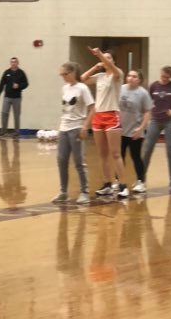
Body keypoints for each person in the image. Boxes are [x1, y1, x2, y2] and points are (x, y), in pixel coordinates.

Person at [81, 48, 126, 197]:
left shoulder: (117, 74)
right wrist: (96, 66)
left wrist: (100, 54)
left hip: (112, 115)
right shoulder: (100, 76)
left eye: (109, 58)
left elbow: (112, 67)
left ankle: (123, 185)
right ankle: (107, 184)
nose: (105, 60)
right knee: (102, 154)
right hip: (98, 116)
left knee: (115, 154)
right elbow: (83, 78)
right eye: (104, 57)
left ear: (114, 60)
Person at [53, 62, 94, 205]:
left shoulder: (82, 88)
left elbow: (92, 108)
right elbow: (65, 109)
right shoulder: (64, 88)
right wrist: (60, 127)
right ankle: (63, 191)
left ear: (72, 73)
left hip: (76, 128)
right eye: (61, 75)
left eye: (65, 74)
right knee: (61, 159)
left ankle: (84, 192)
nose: (63, 77)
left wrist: (85, 126)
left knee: (78, 161)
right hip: (64, 128)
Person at [142, 65, 171, 191]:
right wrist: (147, 116)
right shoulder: (154, 86)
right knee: (147, 149)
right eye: (162, 76)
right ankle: (141, 179)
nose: (164, 79)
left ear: (170, 76)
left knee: (170, 150)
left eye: (167, 77)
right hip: (155, 120)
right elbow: (148, 103)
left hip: (169, 121)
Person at [119, 68, 152, 194]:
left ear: (139, 80)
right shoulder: (121, 89)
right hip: (120, 130)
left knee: (136, 156)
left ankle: (141, 181)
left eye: (134, 76)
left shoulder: (143, 93)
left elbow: (148, 111)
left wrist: (141, 128)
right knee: (119, 156)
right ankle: (119, 180)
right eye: (129, 75)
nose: (130, 78)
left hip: (135, 131)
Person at [0, 56, 29, 138]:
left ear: (18, 63)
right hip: (7, 97)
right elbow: (1, 84)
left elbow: (26, 84)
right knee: (4, 113)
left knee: (16, 115)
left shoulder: (21, 73)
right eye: (12, 62)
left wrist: (19, 86)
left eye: (15, 62)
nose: (13, 63)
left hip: (17, 97)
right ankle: (3, 131)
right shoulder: (6, 72)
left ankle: (16, 132)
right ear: (10, 63)